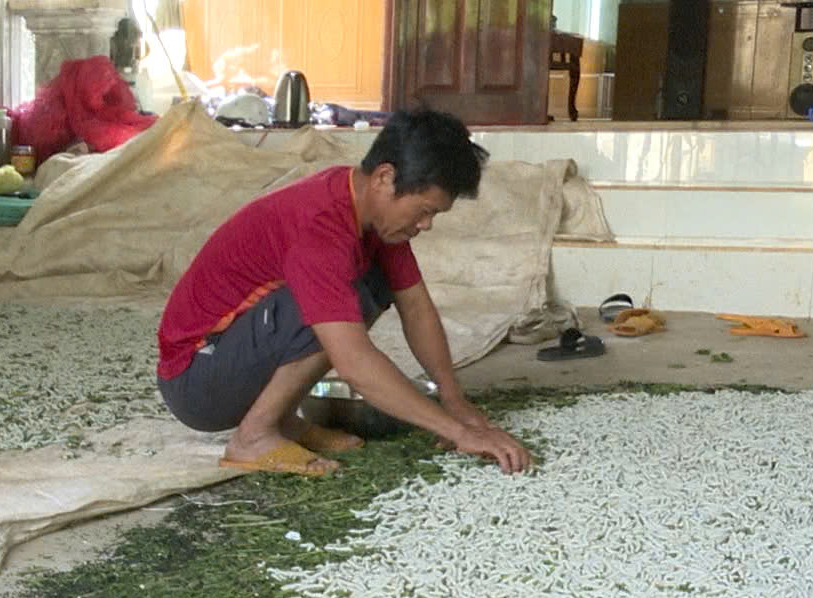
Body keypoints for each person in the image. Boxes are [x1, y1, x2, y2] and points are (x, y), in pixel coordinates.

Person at [156, 107, 532, 477]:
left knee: (369, 283)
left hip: (233, 357)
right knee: (328, 303)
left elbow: (416, 307)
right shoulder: (321, 226)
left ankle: (282, 422)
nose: (426, 225)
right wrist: (458, 433)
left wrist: (454, 401)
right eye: (424, 211)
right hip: (197, 379)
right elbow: (352, 362)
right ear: (385, 177)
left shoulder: (372, 213)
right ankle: (253, 437)